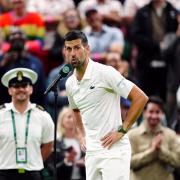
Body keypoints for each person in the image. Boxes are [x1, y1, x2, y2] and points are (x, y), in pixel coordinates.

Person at [64, 30, 148, 180]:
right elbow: (75, 109)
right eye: (69, 49)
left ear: (87, 49)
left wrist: (122, 130)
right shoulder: (70, 83)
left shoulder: (105, 73)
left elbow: (140, 98)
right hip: (91, 151)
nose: (73, 53)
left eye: (77, 48)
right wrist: (81, 135)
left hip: (114, 150)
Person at [0, 67, 54, 180]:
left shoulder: (43, 115)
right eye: (16, 86)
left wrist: (34, 161)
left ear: (31, 89)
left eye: (24, 86)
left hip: (33, 173)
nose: (21, 89)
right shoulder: (1, 114)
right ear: (9, 90)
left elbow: (49, 146)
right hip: (4, 172)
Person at [128, 96, 180, 180]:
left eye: (157, 112)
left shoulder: (170, 135)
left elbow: (178, 162)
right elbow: (128, 163)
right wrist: (151, 151)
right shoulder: (132, 135)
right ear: (144, 112)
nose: (154, 116)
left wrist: (161, 151)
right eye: (151, 112)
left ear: (162, 114)